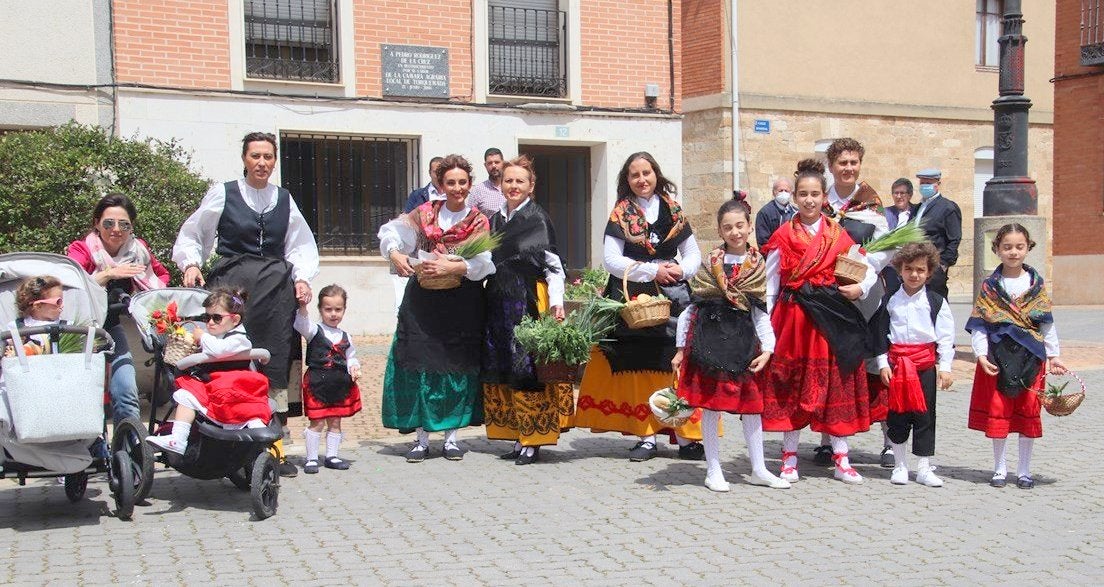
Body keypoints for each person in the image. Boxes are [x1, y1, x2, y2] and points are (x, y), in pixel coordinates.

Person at [173, 131, 320, 477]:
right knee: (228, 358)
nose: (262, 163)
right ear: (244, 159)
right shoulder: (223, 193)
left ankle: (273, 448)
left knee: (273, 362)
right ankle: (222, 441)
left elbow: (300, 244)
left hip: (274, 291)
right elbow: (194, 234)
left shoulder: (284, 199)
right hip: (231, 288)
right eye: (256, 156)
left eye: (268, 157)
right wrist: (191, 263)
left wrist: (301, 278)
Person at [574, 152, 705, 462]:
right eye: (635, 175)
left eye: (647, 172)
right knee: (636, 363)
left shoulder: (673, 210)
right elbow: (611, 260)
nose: (642, 179)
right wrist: (651, 271)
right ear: (627, 180)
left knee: (674, 362)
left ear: (656, 173)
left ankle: (687, 438)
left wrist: (680, 271)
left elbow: (693, 253)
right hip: (632, 295)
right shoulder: (621, 213)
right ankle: (645, 437)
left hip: (673, 295)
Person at [759, 159, 876, 485]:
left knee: (833, 385)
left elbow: (866, 268)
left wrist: (860, 288)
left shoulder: (838, 235)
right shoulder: (783, 236)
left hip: (827, 322)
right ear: (795, 197)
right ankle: (789, 459)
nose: (809, 200)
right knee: (789, 388)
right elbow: (771, 285)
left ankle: (841, 459)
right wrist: (766, 328)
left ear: (824, 197)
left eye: (814, 194)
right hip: (793, 321)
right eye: (803, 194)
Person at [379, 154, 495, 462]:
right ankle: (420, 438)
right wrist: (395, 254)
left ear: (470, 184)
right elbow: (392, 233)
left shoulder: (478, 221)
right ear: (440, 185)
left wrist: (455, 267)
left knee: (455, 363)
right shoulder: (424, 213)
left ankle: (452, 437)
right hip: (423, 300)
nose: (457, 188)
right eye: (450, 182)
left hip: (461, 301)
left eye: (462, 182)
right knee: (419, 359)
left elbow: (484, 264)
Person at [673, 193, 789, 491]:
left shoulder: (757, 264)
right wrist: (680, 349)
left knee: (752, 407)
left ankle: (759, 468)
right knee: (712, 407)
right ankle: (713, 470)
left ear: (749, 227)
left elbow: (760, 312)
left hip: (743, 345)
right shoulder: (710, 262)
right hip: (709, 343)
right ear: (720, 231)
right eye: (728, 227)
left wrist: (769, 348)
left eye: (740, 225)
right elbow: (692, 307)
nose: (735, 232)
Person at [481, 156, 571, 466]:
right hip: (497, 303)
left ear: (531, 186)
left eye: (520, 181)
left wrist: (557, 304)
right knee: (504, 366)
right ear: (500, 185)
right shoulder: (493, 221)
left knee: (528, 369)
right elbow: (484, 263)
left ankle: (534, 440)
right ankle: (517, 435)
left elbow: (554, 266)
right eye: (508, 180)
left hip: (528, 302)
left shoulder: (537, 218)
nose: (513, 186)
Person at [966, 224, 1066, 490]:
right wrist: (981, 354)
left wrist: (1054, 356)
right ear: (997, 249)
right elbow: (980, 324)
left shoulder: (1036, 285)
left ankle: (1024, 470)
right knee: (999, 411)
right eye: (1007, 247)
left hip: (1031, 356)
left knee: (1027, 410)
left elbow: (1047, 323)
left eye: (1019, 246)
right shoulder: (990, 286)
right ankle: (999, 468)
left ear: (1028, 248)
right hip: (998, 357)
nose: (1013, 252)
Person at [67, 193, 169, 425]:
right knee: (83, 394)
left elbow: (160, 275)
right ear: (96, 223)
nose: (116, 230)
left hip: (111, 326)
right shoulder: (82, 249)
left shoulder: (138, 250)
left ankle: (128, 447)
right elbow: (71, 284)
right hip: (79, 330)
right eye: (108, 223)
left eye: (124, 224)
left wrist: (142, 297)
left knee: (126, 390)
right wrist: (108, 274)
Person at [824, 137, 894, 467]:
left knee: (875, 363)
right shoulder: (819, 200)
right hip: (829, 297)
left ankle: (889, 440)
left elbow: (885, 250)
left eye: (853, 162)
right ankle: (828, 439)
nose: (848, 168)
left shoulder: (870, 201)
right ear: (831, 165)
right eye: (842, 162)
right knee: (831, 366)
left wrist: (862, 282)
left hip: (865, 295)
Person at [145, 288, 271, 455]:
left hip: (233, 389)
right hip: (216, 388)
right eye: (207, 317)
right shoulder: (217, 337)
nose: (210, 322)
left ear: (235, 320)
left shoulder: (239, 339)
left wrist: (202, 337)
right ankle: (178, 438)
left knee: (187, 394)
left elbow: (219, 350)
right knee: (186, 395)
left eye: (216, 318)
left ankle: (257, 439)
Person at [871, 242, 954, 487]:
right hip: (897, 367)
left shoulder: (935, 302)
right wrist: (883, 363)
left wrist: (946, 367)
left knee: (925, 415)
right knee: (897, 415)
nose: (914, 275)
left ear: (929, 272)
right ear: (900, 270)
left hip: (924, 366)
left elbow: (946, 336)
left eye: (920, 270)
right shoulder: (890, 301)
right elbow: (880, 334)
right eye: (909, 269)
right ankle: (899, 465)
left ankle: (924, 467)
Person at [295, 284, 362, 474]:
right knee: (317, 421)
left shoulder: (346, 336)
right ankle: (311, 458)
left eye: (338, 309)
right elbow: (301, 323)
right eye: (328, 309)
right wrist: (302, 306)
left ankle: (332, 456)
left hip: (339, 383)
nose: (333, 314)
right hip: (317, 382)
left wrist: (354, 366)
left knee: (335, 421)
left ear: (344, 310)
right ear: (320, 309)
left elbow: (351, 356)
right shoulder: (314, 330)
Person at [913, 169, 963, 299]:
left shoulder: (947, 207)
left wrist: (943, 264)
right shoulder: (919, 207)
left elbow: (954, 238)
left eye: (928, 183)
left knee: (936, 302)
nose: (924, 186)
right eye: (922, 183)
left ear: (937, 184)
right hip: (917, 264)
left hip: (934, 265)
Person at [6, 276, 66, 354]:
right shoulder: (16, 328)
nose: (62, 305)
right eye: (58, 302)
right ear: (38, 306)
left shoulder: (68, 327)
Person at [754, 178, 795, 247]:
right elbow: (763, 241)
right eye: (780, 190)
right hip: (774, 254)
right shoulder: (764, 213)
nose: (783, 193)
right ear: (774, 192)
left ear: (791, 193)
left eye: (786, 191)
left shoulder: (795, 212)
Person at [467, 148, 505, 218]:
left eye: (497, 162)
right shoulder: (478, 190)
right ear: (485, 165)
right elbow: (469, 217)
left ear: (503, 163)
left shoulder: (511, 187)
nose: (493, 166)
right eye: (490, 163)